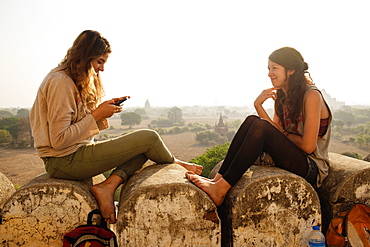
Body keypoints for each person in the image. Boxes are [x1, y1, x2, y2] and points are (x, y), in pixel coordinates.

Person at [30, 30, 202, 224]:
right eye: (99, 62)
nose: (102, 69)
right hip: (62, 160)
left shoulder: (71, 80)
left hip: (74, 153)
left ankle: (108, 186)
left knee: (142, 149)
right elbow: (59, 140)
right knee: (149, 138)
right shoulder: (60, 82)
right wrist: (97, 114)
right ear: (85, 58)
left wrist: (101, 111)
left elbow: (76, 126)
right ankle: (174, 163)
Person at [186, 47, 331, 206]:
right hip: (292, 155)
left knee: (261, 126)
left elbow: (308, 146)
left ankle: (221, 189)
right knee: (251, 120)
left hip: (311, 166)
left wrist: (282, 133)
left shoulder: (311, 95)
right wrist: (258, 105)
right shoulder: (283, 95)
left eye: (275, 68)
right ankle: (217, 180)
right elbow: (275, 130)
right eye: (269, 68)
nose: (270, 73)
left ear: (291, 70)